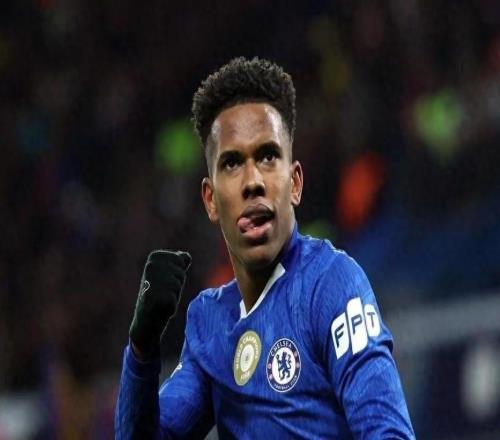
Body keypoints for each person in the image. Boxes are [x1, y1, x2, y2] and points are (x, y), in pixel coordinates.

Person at [115, 57, 415, 439]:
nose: (252, 181)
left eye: (268, 157)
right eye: (232, 163)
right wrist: (141, 351)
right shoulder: (210, 323)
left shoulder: (332, 285)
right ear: (210, 200)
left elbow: (388, 432)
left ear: (295, 183)